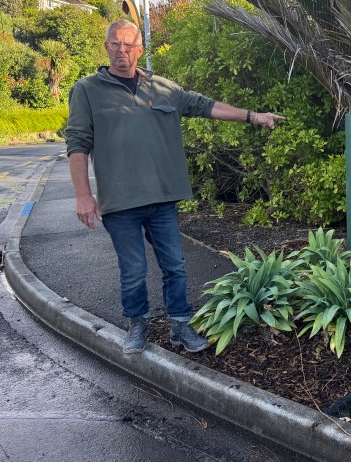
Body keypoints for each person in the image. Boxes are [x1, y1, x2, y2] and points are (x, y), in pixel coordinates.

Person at [65, 19, 284, 354]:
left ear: (139, 49)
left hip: (162, 198)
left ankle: (180, 324)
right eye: (115, 43)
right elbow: (77, 143)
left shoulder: (162, 88)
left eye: (128, 44)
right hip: (120, 202)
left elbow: (205, 106)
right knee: (134, 270)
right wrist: (83, 195)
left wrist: (253, 116)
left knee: (175, 266)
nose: (122, 50)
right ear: (106, 46)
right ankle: (138, 324)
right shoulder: (87, 90)